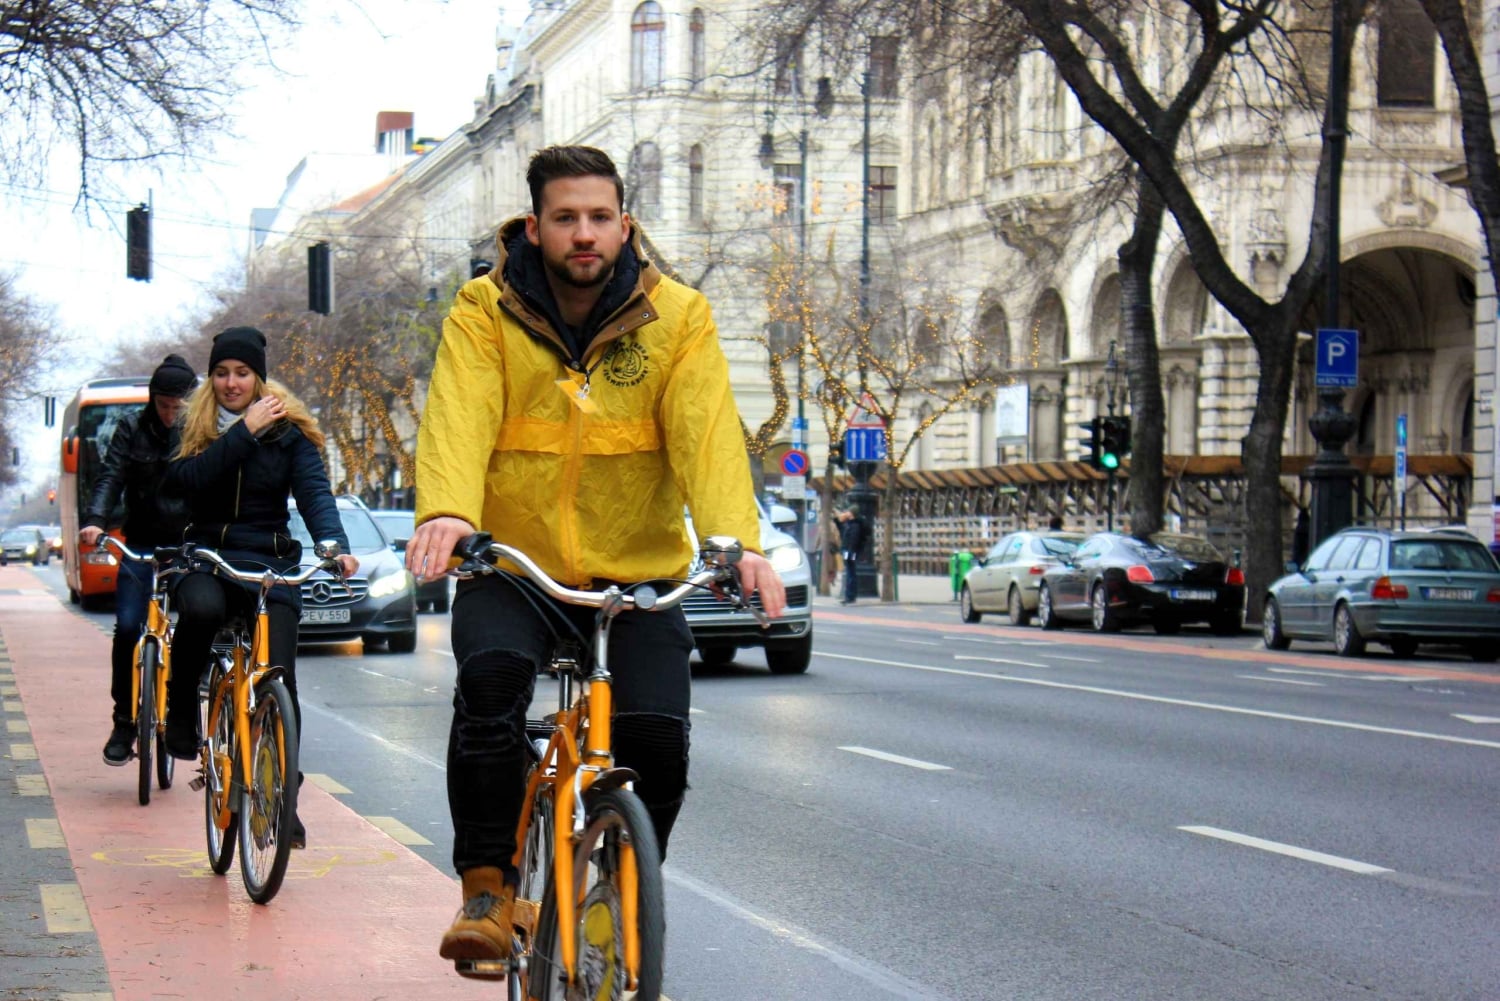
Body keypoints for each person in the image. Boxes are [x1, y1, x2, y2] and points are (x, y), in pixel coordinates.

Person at [404, 145, 786, 976]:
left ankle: (616, 886)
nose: (585, 233)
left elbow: (709, 433)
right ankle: (487, 890)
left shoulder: (677, 317)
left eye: (600, 217)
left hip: (637, 568)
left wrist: (738, 540)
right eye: (567, 218)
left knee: (660, 740)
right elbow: (460, 415)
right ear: (535, 227)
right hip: (516, 565)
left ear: (625, 224)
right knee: (492, 692)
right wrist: (449, 511)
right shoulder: (484, 309)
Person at [161, 327, 357, 848]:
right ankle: (182, 707)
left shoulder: (288, 433)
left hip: (269, 562)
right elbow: (187, 483)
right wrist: (242, 432)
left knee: (280, 676)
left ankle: (281, 800)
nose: (231, 383)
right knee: (199, 610)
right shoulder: (197, 427)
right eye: (222, 373)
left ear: (258, 378)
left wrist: (333, 545)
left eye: (242, 373)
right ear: (213, 378)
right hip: (210, 556)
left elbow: (315, 493)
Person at [80, 354, 197, 765]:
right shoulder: (131, 428)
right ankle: (124, 722)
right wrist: (95, 521)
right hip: (140, 545)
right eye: (163, 405)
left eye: (177, 407)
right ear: (153, 400)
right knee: (128, 627)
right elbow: (110, 477)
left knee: (197, 622)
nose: (169, 414)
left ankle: (183, 712)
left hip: (187, 547)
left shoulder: (200, 431)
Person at [836, 505, 868, 605]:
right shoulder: (850, 523)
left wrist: (849, 552)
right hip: (849, 551)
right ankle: (850, 595)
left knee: (850, 573)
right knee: (850, 572)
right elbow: (841, 528)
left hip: (850, 552)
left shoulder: (854, 525)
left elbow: (852, 540)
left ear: (852, 513)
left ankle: (849, 596)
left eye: (849, 512)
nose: (847, 513)